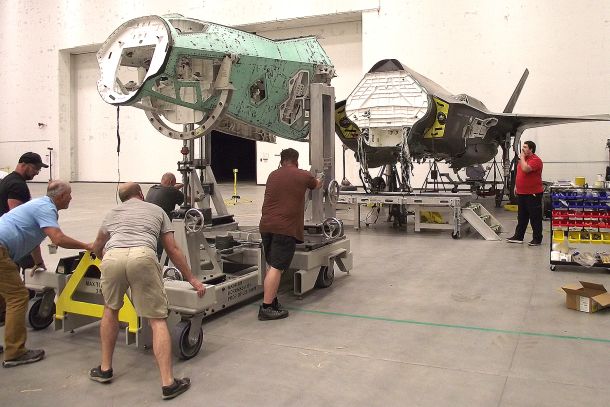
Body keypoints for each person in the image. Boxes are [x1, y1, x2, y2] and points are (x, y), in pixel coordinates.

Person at [90, 182, 205, 400]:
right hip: (142, 256)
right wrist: (191, 278)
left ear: (122, 198)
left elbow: (96, 246)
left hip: (113, 256)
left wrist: (107, 259)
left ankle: (105, 369)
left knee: (110, 310)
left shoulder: (111, 213)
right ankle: (168, 383)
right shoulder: (157, 210)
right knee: (157, 320)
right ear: (141, 194)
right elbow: (172, 249)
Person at [0, 180, 92, 367]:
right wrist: (86, 246)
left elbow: (33, 238)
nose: (71, 198)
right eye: (69, 194)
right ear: (61, 196)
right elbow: (58, 239)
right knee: (17, 297)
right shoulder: (46, 208)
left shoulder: (40, 205)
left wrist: (38, 262)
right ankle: (15, 352)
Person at [258, 148, 323, 320]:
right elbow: (317, 185)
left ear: (281, 161)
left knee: (272, 265)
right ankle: (266, 308)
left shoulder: (272, 175)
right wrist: (320, 177)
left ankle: (272, 301)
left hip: (266, 226)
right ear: (296, 161)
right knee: (277, 267)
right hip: (284, 228)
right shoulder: (303, 175)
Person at [0, 152, 49, 343]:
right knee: (18, 295)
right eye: (35, 168)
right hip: (9, 243)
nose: (37, 172)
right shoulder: (17, 185)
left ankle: (4, 315)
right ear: (24, 164)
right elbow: (20, 221)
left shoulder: (7, 180)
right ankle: (15, 349)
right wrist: (37, 260)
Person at [507, 140, 544, 246]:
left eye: (525, 147)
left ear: (531, 149)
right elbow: (519, 173)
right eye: (523, 147)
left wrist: (522, 158)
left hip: (533, 194)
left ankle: (537, 239)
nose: (522, 149)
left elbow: (526, 169)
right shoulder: (522, 160)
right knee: (522, 217)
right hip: (522, 193)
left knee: (535, 217)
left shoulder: (535, 160)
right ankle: (518, 236)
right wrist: (516, 186)